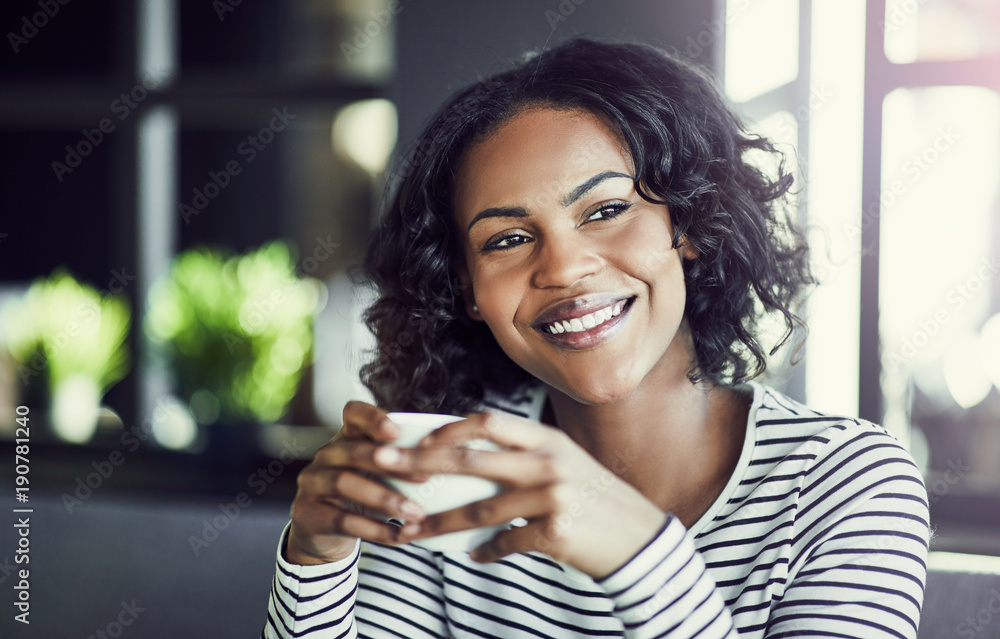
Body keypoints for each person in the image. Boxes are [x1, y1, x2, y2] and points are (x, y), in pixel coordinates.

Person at [263, 37, 929, 638]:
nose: (563, 268)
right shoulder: (450, 482)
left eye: (607, 210)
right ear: (467, 287)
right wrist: (316, 560)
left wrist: (635, 550)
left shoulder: (846, 484)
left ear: (690, 225)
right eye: (509, 238)